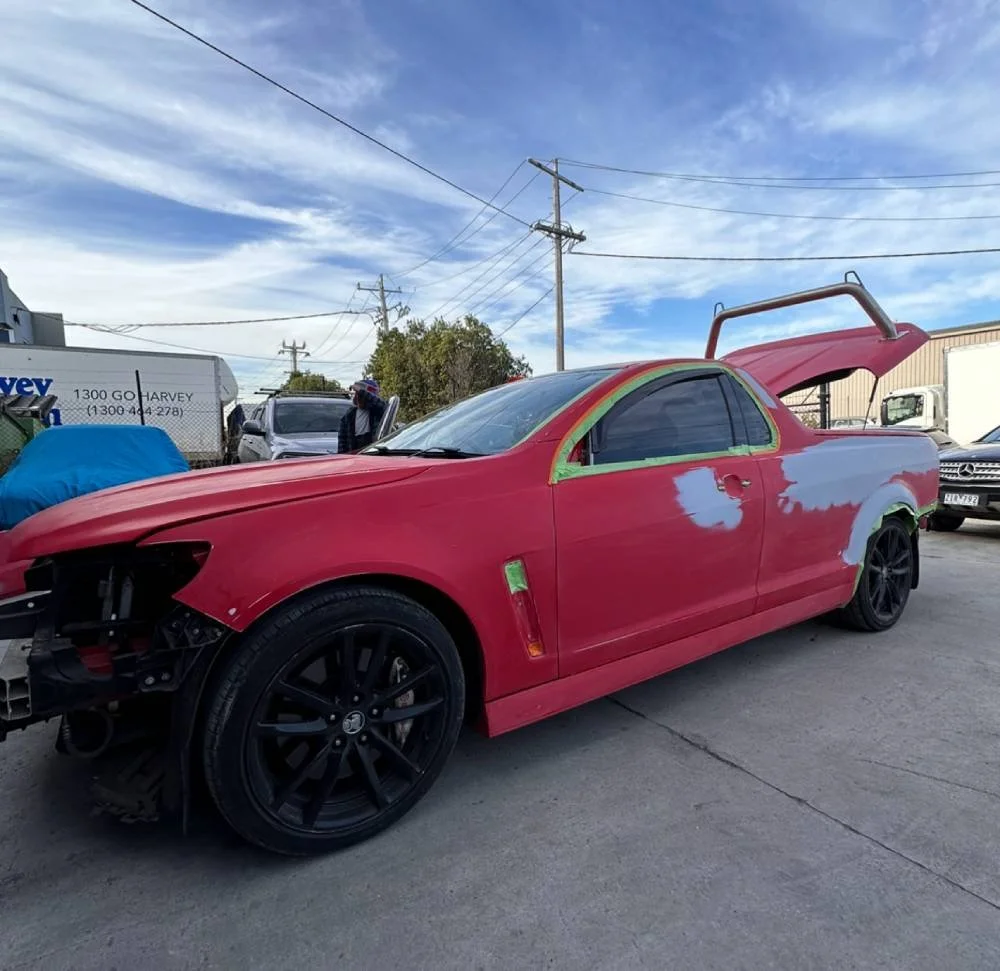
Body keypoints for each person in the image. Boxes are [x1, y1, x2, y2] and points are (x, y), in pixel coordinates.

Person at [338, 378, 387, 453]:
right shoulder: (349, 415)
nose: (357, 398)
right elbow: (342, 443)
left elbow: (381, 404)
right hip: (354, 454)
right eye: (356, 394)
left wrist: (361, 391)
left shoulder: (377, 412)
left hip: (374, 453)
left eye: (360, 395)